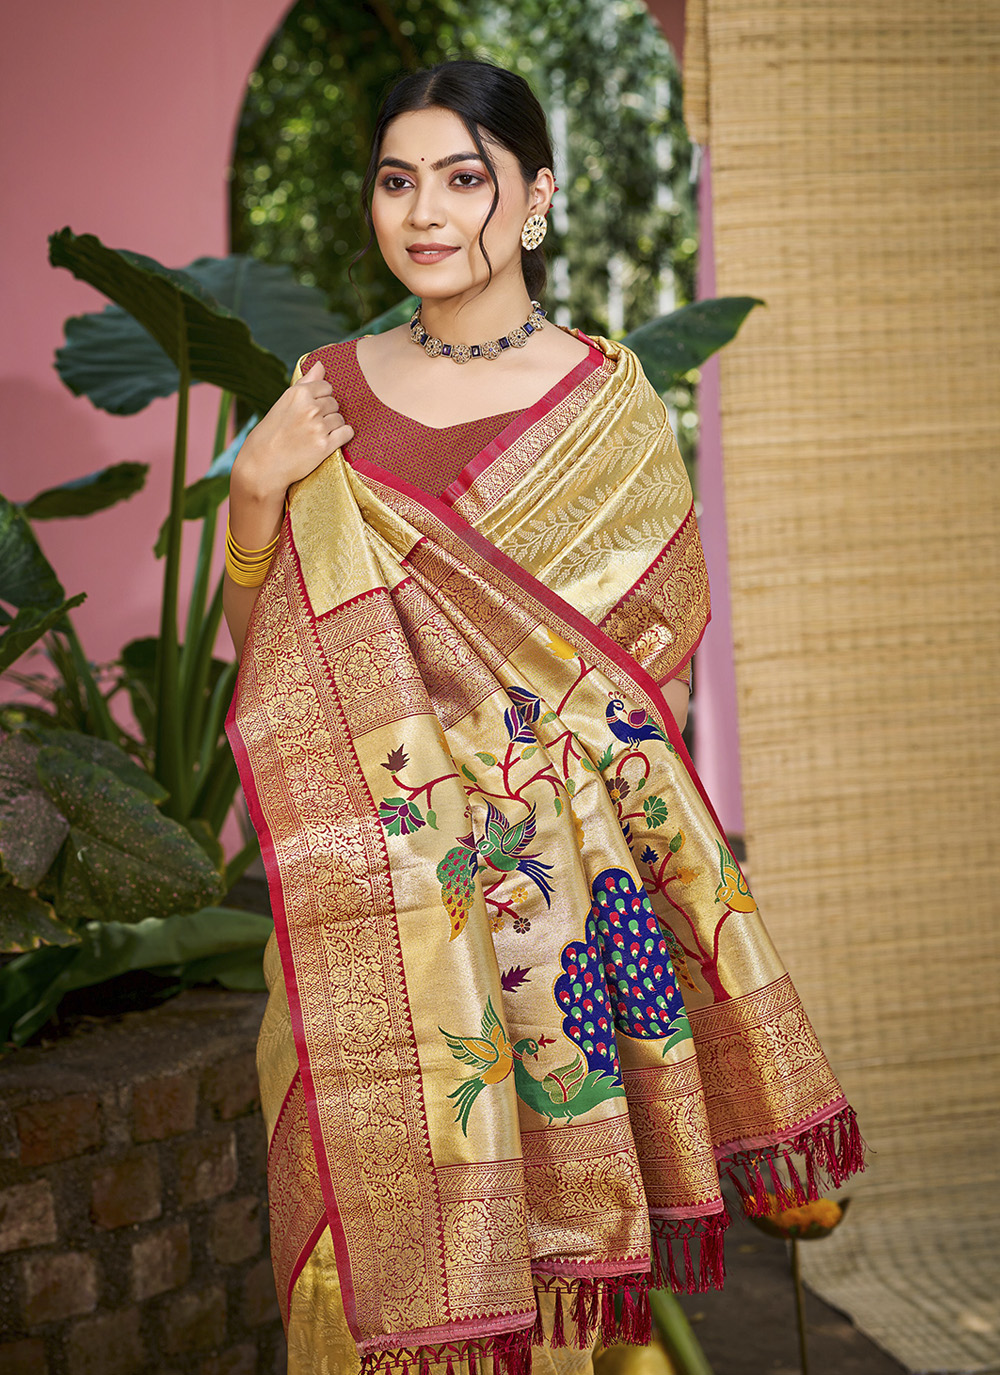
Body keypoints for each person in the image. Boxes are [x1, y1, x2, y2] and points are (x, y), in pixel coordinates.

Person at [224, 59, 862, 1375]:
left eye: (465, 178)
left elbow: (643, 680)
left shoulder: (605, 407)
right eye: (397, 180)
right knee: (364, 1264)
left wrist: (516, 806)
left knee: (555, 1262)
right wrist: (254, 494)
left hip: (550, 893)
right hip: (381, 894)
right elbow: (272, 657)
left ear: (536, 198)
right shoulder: (323, 396)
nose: (425, 212)